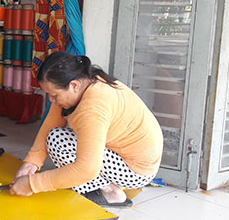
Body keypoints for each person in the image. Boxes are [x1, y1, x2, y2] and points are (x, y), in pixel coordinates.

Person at [9, 51, 163, 207]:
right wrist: (31, 162)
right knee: (55, 134)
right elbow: (51, 123)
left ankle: (110, 192)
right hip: (129, 155)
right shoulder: (87, 80)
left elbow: (86, 169)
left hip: (137, 171)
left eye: (54, 95)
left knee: (57, 140)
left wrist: (33, 184)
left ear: (74, 85)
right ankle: (107, 183)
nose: (51, 100)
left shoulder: (94, 107)